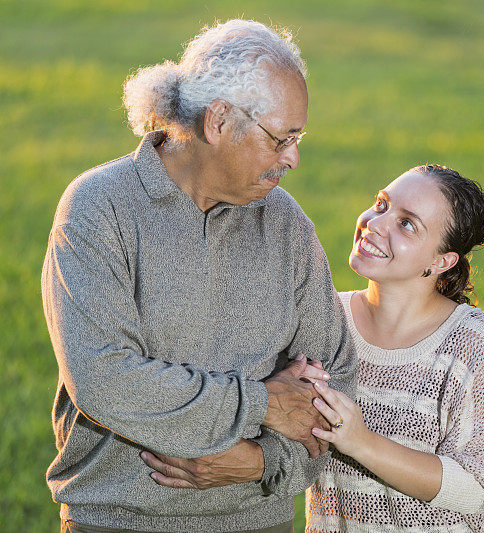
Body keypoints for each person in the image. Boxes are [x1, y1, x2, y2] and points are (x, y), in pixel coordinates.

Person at [41, 19, 356, 533]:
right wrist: (261, 404)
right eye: (281, 139)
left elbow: (334, 381)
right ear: (218, 122)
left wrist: (262, 462)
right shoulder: (99, 207)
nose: (293, 159)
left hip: (259, 518)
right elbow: (103, 380)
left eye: (299, 138)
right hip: (121, 521)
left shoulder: (286, 223)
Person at [305, 165, 484, 532]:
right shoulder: (325, 320)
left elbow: (473, 489)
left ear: (441, 261)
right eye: (382, 204)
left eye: (407, 224)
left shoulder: (473, 343)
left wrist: (361, 442)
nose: (375, 222)